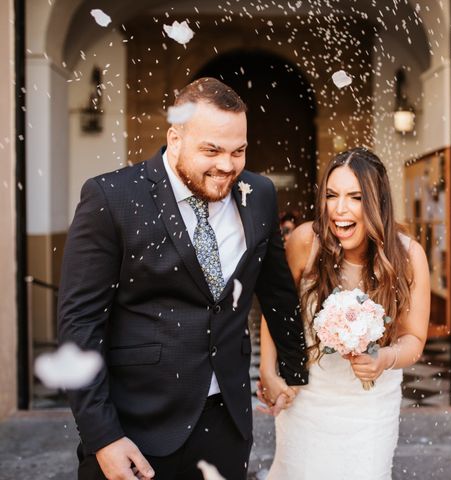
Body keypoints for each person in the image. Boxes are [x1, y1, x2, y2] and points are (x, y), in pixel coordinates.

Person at [57, 77, 308, 480]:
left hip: (227, 424)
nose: (227, 165)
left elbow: (276, 291)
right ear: (175, 139)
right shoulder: (112, 198)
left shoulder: (258, 194)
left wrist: (292, 372)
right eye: (211, 150)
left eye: (238, 151)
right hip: (137, 428)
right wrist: (103, 437)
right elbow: (79, 326)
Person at [258, 147, 431, 479]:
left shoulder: (408, 256)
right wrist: (269, 370)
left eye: (355, 197)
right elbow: (277, 310)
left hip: (370, 411)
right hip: (308, 403)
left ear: (377, 202)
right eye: (331, 195)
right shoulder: (305, 241)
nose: (339, 209)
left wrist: (385, 358)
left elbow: (414, 339)